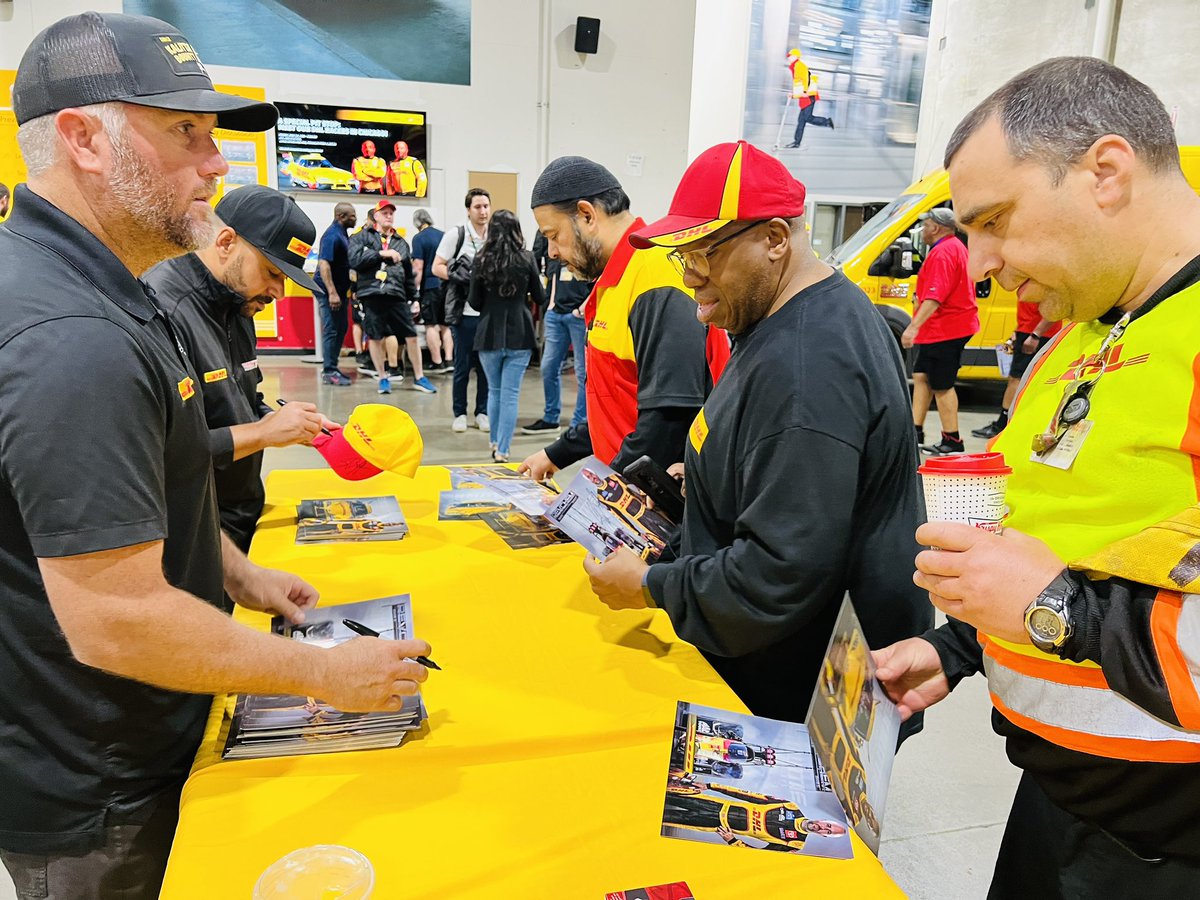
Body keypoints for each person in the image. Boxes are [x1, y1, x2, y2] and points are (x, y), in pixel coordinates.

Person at [0, 13, 430, 897]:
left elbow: (136, 487)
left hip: (131, 736)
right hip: (98, 778)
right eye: (185, 134)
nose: (218, 164)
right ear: (83, 138)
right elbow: (115, 615)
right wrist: (325, 673)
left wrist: (234, 572)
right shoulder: (71, 332)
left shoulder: (102, 289)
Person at [872, 57, 1200, 897]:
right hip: (1057, 806)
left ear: (1106, 171)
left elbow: (1058, 590)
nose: (977, 264)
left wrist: (1056, 613)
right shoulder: (1083, 333)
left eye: (994, 221)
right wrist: (962, 648)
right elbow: (1068, 532)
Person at [583, 142, 930, 723]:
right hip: (793, 660)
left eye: (704, 254)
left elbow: (778, 575)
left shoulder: (806, 364)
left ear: (775, 240)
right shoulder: (796, 316)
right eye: (682, 256)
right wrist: (718, 476)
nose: (690, 277)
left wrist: (648, 585)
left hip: (800, 685)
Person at [519, 156, 730, 483]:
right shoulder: (616, 280)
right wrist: (556, 454)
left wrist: (606, 502)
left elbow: (667, 422)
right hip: (633, 490)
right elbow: (616, 401)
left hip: (664, 504)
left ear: (587, 215)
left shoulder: (655, 277)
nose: (551, 252)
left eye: (554, 235)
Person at [147, 185, 333, 552]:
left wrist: (294, 424)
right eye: (271, 272)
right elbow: (164, 452)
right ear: (226, 241)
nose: (279, 292)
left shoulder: (239, 302)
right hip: (192, 534)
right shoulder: (162, 310)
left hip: (242, 515)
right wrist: (265, 433)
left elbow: (241, 399)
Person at [466, 209, 545, 461]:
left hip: (488, 332)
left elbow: (474, 301)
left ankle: (492, 441)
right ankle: (503, 449)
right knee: (511, 394)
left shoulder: (481, 258)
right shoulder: (527, 258)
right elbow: (541, 297)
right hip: (520, 332)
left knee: (494, 391)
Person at [901, 206, 979, 454]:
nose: (922, 230)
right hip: (943, 327)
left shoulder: (944, 253)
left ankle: (952, 440)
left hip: (946, 328)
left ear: (936, 228)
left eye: (925, 225)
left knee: (942, 384)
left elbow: (935, 297)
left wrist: (912, 328)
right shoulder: (952, 248)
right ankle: (915, 431)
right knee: (922, 376)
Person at [349, 198, 436, 394]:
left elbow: (408, 273)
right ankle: (382, 377)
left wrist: (414, 299)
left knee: (411, 336)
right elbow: (354, 260)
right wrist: (381, 254)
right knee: (376, 337)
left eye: (391, 213)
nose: (389, 216)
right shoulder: (361, 238)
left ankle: (419, 377)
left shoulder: (400, 243)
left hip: (397, 295)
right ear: (376, 216)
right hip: (371, 293)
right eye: (384, 213)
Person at [433, 187, 492, 432]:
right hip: (462, 313)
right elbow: (437, 267)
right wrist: (459, 277)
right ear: (468, 210)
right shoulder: (455, 235)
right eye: (477, 207)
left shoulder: (494, 236)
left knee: (486, 367)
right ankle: (459, 413)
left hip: (488, 314)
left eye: (486, 206)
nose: (483, 211)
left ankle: (482, 412)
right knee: (462, 366)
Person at [663, 777, 847, 852]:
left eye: (828, 831)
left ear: (823, 835)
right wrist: (710, 786)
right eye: (828, 825)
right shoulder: (790, 806)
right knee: (666, 796)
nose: (824, 828)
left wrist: (732, 841)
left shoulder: (796, 844)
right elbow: (745, 795)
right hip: (714, 804)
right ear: (824, 821)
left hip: (712, 824)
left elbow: (757, 855)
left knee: (665, 818)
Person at [521, 256, 593, 436]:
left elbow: (598, 282)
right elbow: (552, 277)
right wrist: (551, 306)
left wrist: (581, 309)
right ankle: (551, 418)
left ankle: (579, 423)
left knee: (582, 372)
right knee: (548, 367)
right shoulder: (556, 255)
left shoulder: (585, 252)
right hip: (556, 315)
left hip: (578, 316)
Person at [972, 300, 1061, 438]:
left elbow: (1056, 307)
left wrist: (1036, 334)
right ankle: (1011, 423)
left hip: (1037, 335)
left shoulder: (1048, 279)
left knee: (1017, 379)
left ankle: (1004, 424)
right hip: (1028, 332)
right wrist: (1018, 330)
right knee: (1021, 379)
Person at [312, 201, 358, 385]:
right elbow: (324, 264)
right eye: (352, 216)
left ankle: (334, 367)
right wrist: (331, 292)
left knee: (341, 328)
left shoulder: (342, 234)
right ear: (341, 216)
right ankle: (329, 371)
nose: (355, 218)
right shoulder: (332, 235)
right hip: (327, 290)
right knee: (332, 329)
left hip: (340, 290)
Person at [411, 208, 453, 373]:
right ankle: (449, 360)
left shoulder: (419, 238)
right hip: (446, 285)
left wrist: (414, 292)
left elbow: (418, 267)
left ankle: (437, 362)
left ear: (417, 223)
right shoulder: (444, 235)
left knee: (431, 325)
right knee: (446, 325)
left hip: (429, 287)